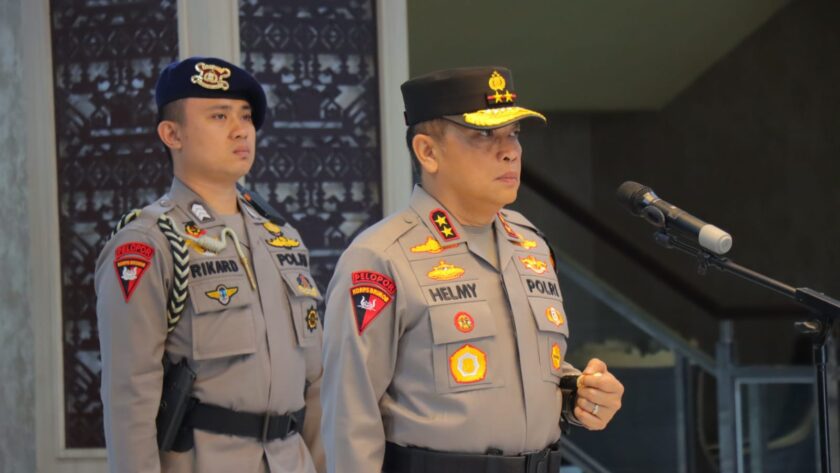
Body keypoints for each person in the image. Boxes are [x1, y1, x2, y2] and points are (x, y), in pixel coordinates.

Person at [320, 66, 624, 472]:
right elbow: (349, 419)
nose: (510, 150)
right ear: (428, 152)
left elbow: (524, 371)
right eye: (484, 134)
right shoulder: (381, 257)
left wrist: (577, 393)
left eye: (514, 133)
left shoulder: (530, 243)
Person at [95, 57, 324, 473]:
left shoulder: (282, 239)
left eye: (246, 116)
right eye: (219, 116)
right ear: (172, 134)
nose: (241, 130)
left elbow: (316, 383)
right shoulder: (148, 243)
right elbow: (130, 396)